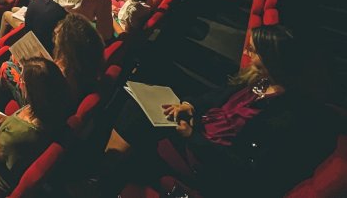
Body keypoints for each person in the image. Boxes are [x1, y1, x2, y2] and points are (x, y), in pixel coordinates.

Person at [100, 25, 338, 198]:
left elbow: (240, 167)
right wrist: (190, 106)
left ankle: (104, 177)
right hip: (201, 128)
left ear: (275, 61)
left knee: (136, 114)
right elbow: (218, 96)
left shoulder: (286, 117)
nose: (247, 54)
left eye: (254, 51)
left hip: (207, 158)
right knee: (139, 106)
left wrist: (191, 136)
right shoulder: (262, 79)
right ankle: (111, 169)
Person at [0, 57, 73, 194]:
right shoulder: (55, 107)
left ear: (32, 91)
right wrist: (8, 121)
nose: (20, 83)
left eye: (22, 80)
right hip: (23, 156)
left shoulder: (20, 133)